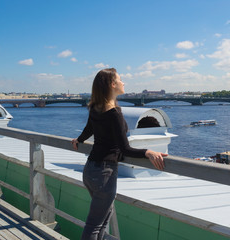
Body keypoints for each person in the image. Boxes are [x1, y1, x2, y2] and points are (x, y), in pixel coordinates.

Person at [71, 68, 167, 240]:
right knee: (94, 226)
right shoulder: (114, 114)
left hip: (91, 170)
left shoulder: (96, 108)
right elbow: (125, 149)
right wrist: (148, 152)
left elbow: (88, 130)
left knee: (103, 219)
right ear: (112, 85)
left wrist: (78, 140)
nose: (124, 83)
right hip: (104, 173)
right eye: (121, 80)